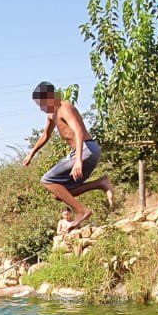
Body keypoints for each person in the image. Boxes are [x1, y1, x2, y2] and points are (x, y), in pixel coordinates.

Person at [22, 81, 114, 231]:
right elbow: (46, 134)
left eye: (42, 103)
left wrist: (78, 160)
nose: (41, 108)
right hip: (83, 151)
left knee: (47, 180)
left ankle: (82, 211)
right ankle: (101, 183)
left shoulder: (65, 108)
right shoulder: (52, 114)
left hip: (85, 149)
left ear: (51, 97)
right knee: (60, 193)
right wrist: (31, 153)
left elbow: (78, 131)